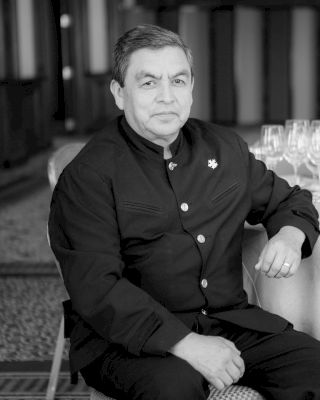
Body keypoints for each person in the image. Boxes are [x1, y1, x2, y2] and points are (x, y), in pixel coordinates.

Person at [49, 24, 320, 400]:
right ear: (118, 93)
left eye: (178, 81)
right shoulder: (88, 176)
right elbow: (97, 288)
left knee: (314, 366)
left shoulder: (224, 147)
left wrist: (291, 235)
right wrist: (187, 344)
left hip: (229, 322)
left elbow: (291, 200)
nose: (166, 97)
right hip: (127, 340)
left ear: (191, 87)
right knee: (173, 388)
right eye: (148, 83)